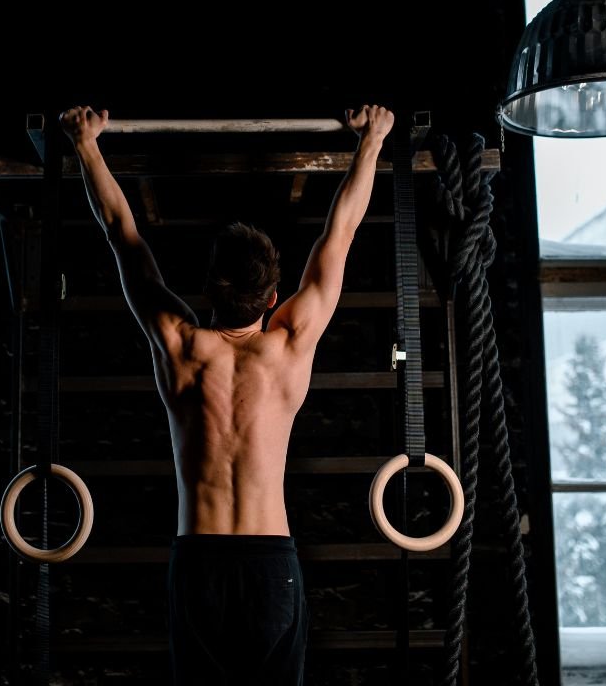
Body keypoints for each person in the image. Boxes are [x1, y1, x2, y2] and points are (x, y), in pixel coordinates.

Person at [60, 104, 395, 685]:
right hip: (271, 565)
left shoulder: (180, 345)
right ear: (272, 299)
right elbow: (339, 238)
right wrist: (372, 142)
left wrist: (86, 144)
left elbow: (123, 235)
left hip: (200, 563)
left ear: (208, 290)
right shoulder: (289, 345)